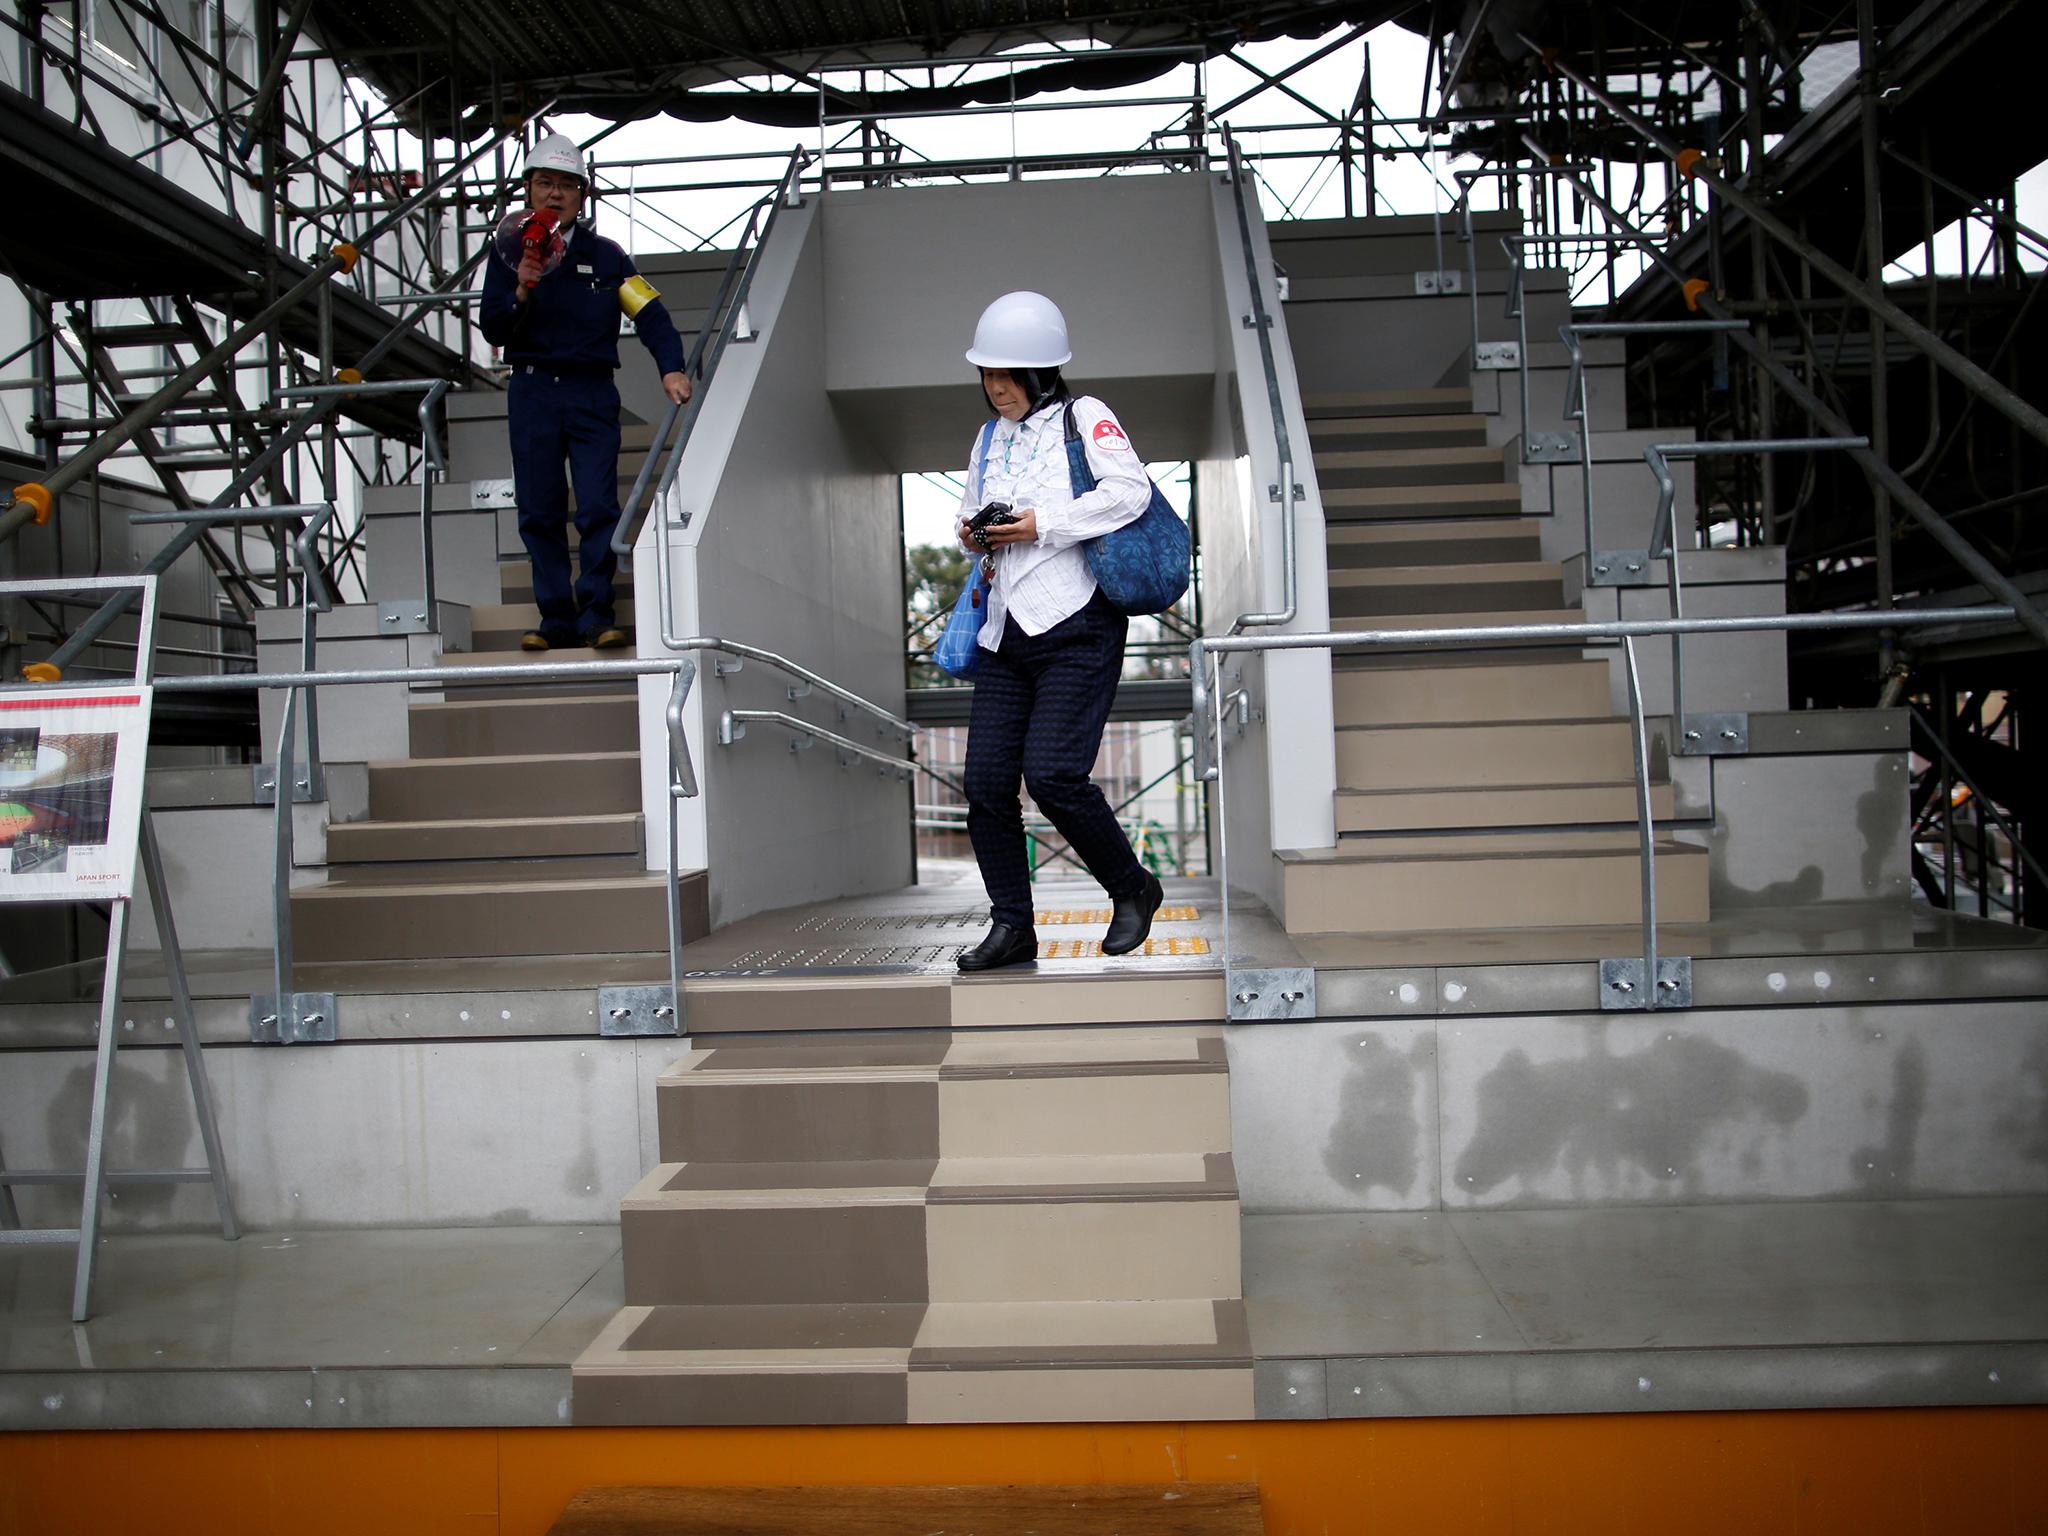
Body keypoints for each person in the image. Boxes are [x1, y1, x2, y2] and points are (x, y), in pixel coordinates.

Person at [953, 290, 1166, 972]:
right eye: (987, 376)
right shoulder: (986, 438)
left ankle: (1132, 888)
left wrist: (1044, 523)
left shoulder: (1085, 416)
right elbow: (966, 523)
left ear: (1042, 373)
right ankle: (1013, 926)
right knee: (985, 784)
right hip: (1004, 632)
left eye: (1008, 376)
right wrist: (970, 532)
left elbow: (1130, 491)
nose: (996, 388)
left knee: (1052, 775)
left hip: (1078, 626)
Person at [480, 133, 691, 651]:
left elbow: (651, 314)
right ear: (528, 190)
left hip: (592, 392)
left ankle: (597, 612)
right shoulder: (508, 253)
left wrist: (671, 368)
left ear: (582, 195)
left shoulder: (607, 257)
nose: (556, 195)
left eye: (567, 185)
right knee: (539, 507)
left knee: (597, 505)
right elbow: (493, 328)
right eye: (545, 183)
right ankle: (554, 618)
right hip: (531, 391)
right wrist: (521, 290)